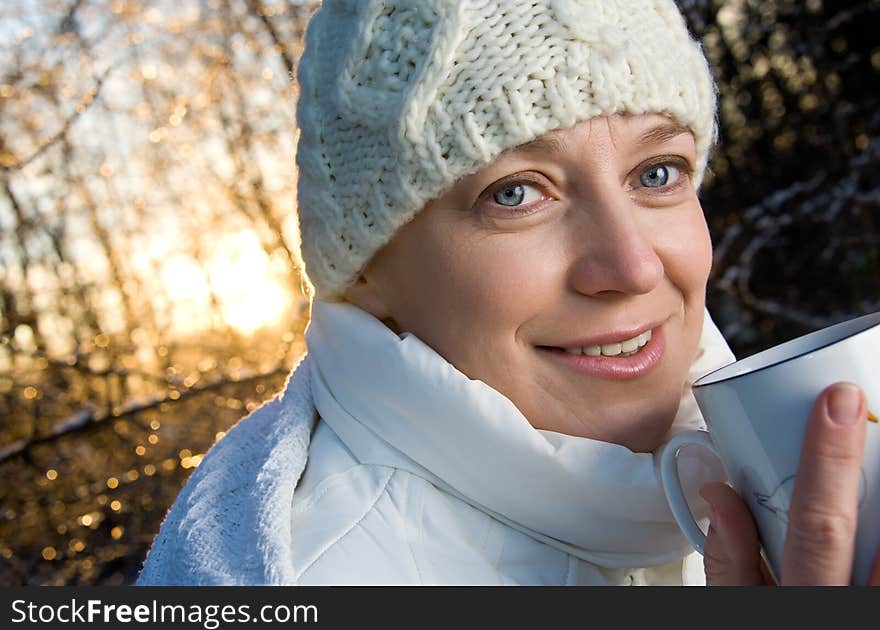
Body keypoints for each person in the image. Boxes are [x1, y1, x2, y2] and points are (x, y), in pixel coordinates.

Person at [136, 0, 876, 586]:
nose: (633, 267)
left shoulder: (747, 451)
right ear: (367, 270)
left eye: (657, 173)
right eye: (516, 192)